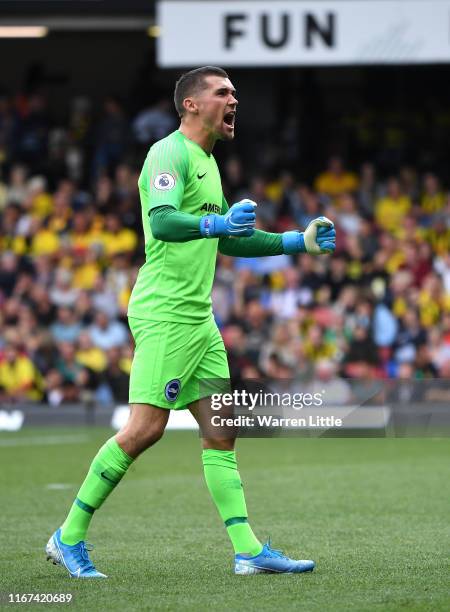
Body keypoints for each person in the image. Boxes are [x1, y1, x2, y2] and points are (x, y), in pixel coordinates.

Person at [46, 66, 336, 578]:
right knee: (144, 429)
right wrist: (213, 221)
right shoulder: (169, 152)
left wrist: (296, 242)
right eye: (223, 93)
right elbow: (161, 220)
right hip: (165, 312)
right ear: (192, 105)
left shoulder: (206, 161)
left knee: (221, 429)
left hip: (198, 317)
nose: (234, 100)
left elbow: (226, 238)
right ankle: (67, 537)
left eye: (235, 92)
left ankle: (247, 551)